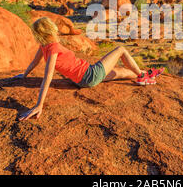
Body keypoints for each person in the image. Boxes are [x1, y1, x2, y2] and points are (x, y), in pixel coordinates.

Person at [16, 17, 164, 121]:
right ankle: (142, 76)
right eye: (53, 30)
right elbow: (47, 76)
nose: (56, 32)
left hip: (83, 80)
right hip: (90, 74)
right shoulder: (53, 47)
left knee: (123, 73)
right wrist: (39, 105)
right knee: (121, 49)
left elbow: (34, 62)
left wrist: (24, 75)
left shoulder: (45, 46)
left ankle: (147, 74)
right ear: (50, 31)